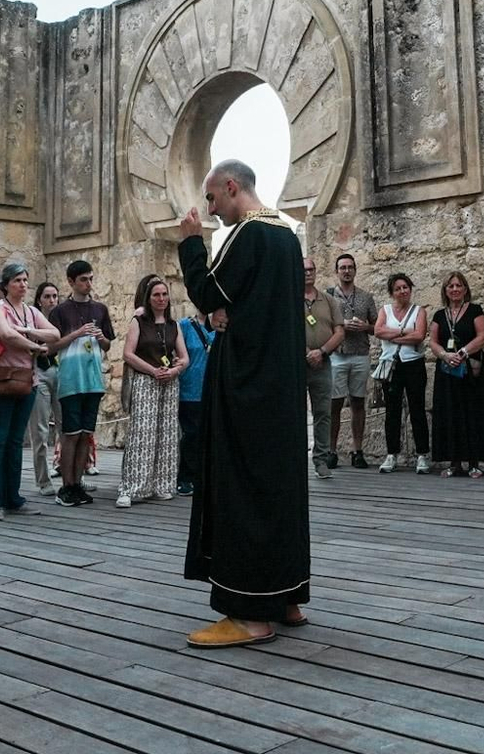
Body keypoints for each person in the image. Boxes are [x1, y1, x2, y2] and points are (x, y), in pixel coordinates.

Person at [175, 159, 309, 648]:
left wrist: (191, 242)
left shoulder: (249, 234)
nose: (209, 210)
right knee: (278, 486)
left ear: (231, 187)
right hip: (281, 383)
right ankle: (286, 597)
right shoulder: (287, 236)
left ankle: (251, 614)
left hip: (248, 383)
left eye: (212, 199)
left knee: (242, 486)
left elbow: (207, 292)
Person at [0, 263, 57, 519]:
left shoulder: (31, 312)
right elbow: (5, 334)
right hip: (1, 381)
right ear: (5, 285)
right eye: (17, 280)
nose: (23, 284)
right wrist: (35, 347)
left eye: (25, 280)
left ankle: (12, 498)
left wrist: (28, 331)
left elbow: (54, 334)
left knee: (15, 442)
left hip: (27, 382)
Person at [46, 260, 113, 507]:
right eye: (84, 279)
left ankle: (78, 483)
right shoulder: (60, 312)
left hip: (93, 380)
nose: (89, 284)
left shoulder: (100, 309)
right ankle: (66, 486)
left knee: (86, 434)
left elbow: (107, 345)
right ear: (71, 282)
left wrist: (101, 337)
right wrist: (75, 334)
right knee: (70, 435)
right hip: (71, 380)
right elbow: (50, 347)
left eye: (91, 278)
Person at [119, 276, 188, 507]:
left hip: (169, 382)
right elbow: (129, 354)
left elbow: (184, 357)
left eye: (164, 294)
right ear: (148, 299)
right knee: (142, 433)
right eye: (156, 295)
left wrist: (175, 370)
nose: (161, 299)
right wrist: (152, 371)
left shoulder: (173, 325)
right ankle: (131, 487)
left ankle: (161, 484)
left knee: (167, 434)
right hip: (146, 381)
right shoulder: (138, 322)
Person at [429, 271, 484, 478]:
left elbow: (482, 336)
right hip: (448, 369)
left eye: (458, 285)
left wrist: (462, 352)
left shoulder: (475, 310)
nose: (454, 289)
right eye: (450, 286)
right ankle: (454, 462)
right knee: (451, 413)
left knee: (473, 412)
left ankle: (474, 463)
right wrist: (444, 355)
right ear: (445, 290)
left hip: (471, 369)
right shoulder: (439, 315)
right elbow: (433, 341)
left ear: (465, 289)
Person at [325, 252, 377, 470]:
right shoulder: (327, 297)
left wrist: (364, 327)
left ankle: (358, 450)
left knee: (358, 402)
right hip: (337, 354)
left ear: (355, 270)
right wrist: (342, 326)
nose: (346, 271)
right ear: (337, 271)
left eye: (350, 267)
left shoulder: (366, 297)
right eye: (342, 268)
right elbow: (321, 326)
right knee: (334, 404)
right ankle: (331, 451)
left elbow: (377, 327)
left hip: (359, 354)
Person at [375, 273, 430, 474]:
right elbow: (378, 330)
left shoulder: (419, 311)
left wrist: (394, 336)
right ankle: (391, 454)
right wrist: (403, 333)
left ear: (410, 289)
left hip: (413, 364)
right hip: (392, 365)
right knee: (392, 411)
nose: (402, 291)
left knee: (417, 409)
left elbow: (419, 336)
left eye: (405, 287)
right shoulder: (385, 310)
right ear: (392, 292)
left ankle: (422, 454)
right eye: (398, 288)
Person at [300, 257, 343, 479]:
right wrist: (306, 351)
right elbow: (285, 329)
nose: (308, 273)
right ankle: (296, 459)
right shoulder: (289, 300)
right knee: (295, 413)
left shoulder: (328, 301)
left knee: (323, 413)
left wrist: (322, 351)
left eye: (311, 269)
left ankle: (321, 460)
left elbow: (340, 331)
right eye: (304, 269)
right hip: (297, 365)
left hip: (323, 363)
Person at [175, 305, 219, 496]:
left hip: (212, 389)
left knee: (208, 435)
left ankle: (203, 476)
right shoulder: (184, 326)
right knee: (191, 434)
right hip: (190, 388)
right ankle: (185, 477)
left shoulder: (217, 326)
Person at [28, 280, 62, 493]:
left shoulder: (62, 319)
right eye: (47, 296)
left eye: (55, 296)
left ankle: (69, 475)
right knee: (39, 429)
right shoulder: (31, 317)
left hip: (59, 371)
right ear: (39, 300)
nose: (52, 301)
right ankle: (43, 480)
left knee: (65, 426)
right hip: (38, 372)